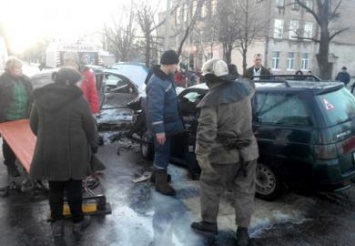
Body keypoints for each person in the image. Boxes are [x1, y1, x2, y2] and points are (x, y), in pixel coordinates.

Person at [190, 59, 259, 246]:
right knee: (245, 191)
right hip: (249, 152)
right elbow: (252, 91)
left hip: (223, 156)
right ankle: (243, 233)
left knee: (210, 187)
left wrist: (201, 156)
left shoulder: (211, 101)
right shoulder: (244, 90)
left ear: (209, 78)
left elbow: (206, 132)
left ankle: (209, 223)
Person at [29, 67, 97, 241]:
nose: (80, 84)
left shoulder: (40, 99)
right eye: (78, 81)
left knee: (55, 189)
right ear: (69, 82)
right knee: (74, 188)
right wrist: (94, 144)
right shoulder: (79, 100)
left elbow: (33, 125)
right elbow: (90, 127)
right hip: (74, 151)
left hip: (49, 151)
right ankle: (78, 222)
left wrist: (48, 138)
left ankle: (57, 225)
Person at [146, 50, 184, 196]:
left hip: (167, 124)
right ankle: (161, 184)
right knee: (162, 152)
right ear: (169, 64)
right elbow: (155, 109)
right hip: (163, 126)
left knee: (161, 151)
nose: (177, 67)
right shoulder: (157, 82)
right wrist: (159, 130)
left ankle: (156, 176)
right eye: (175, 64)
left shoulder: (166, 77)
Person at [0, 56, 33, 177]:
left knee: (24, 143)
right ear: (10, 69)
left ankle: (25, 164)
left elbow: (31, 97)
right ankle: (10, 166)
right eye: (18, 68)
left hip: (23, 117)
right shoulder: (3, 81)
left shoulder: (25, 80)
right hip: (8, 118)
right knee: (8, 144)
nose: (20, 70)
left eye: (21, 68)